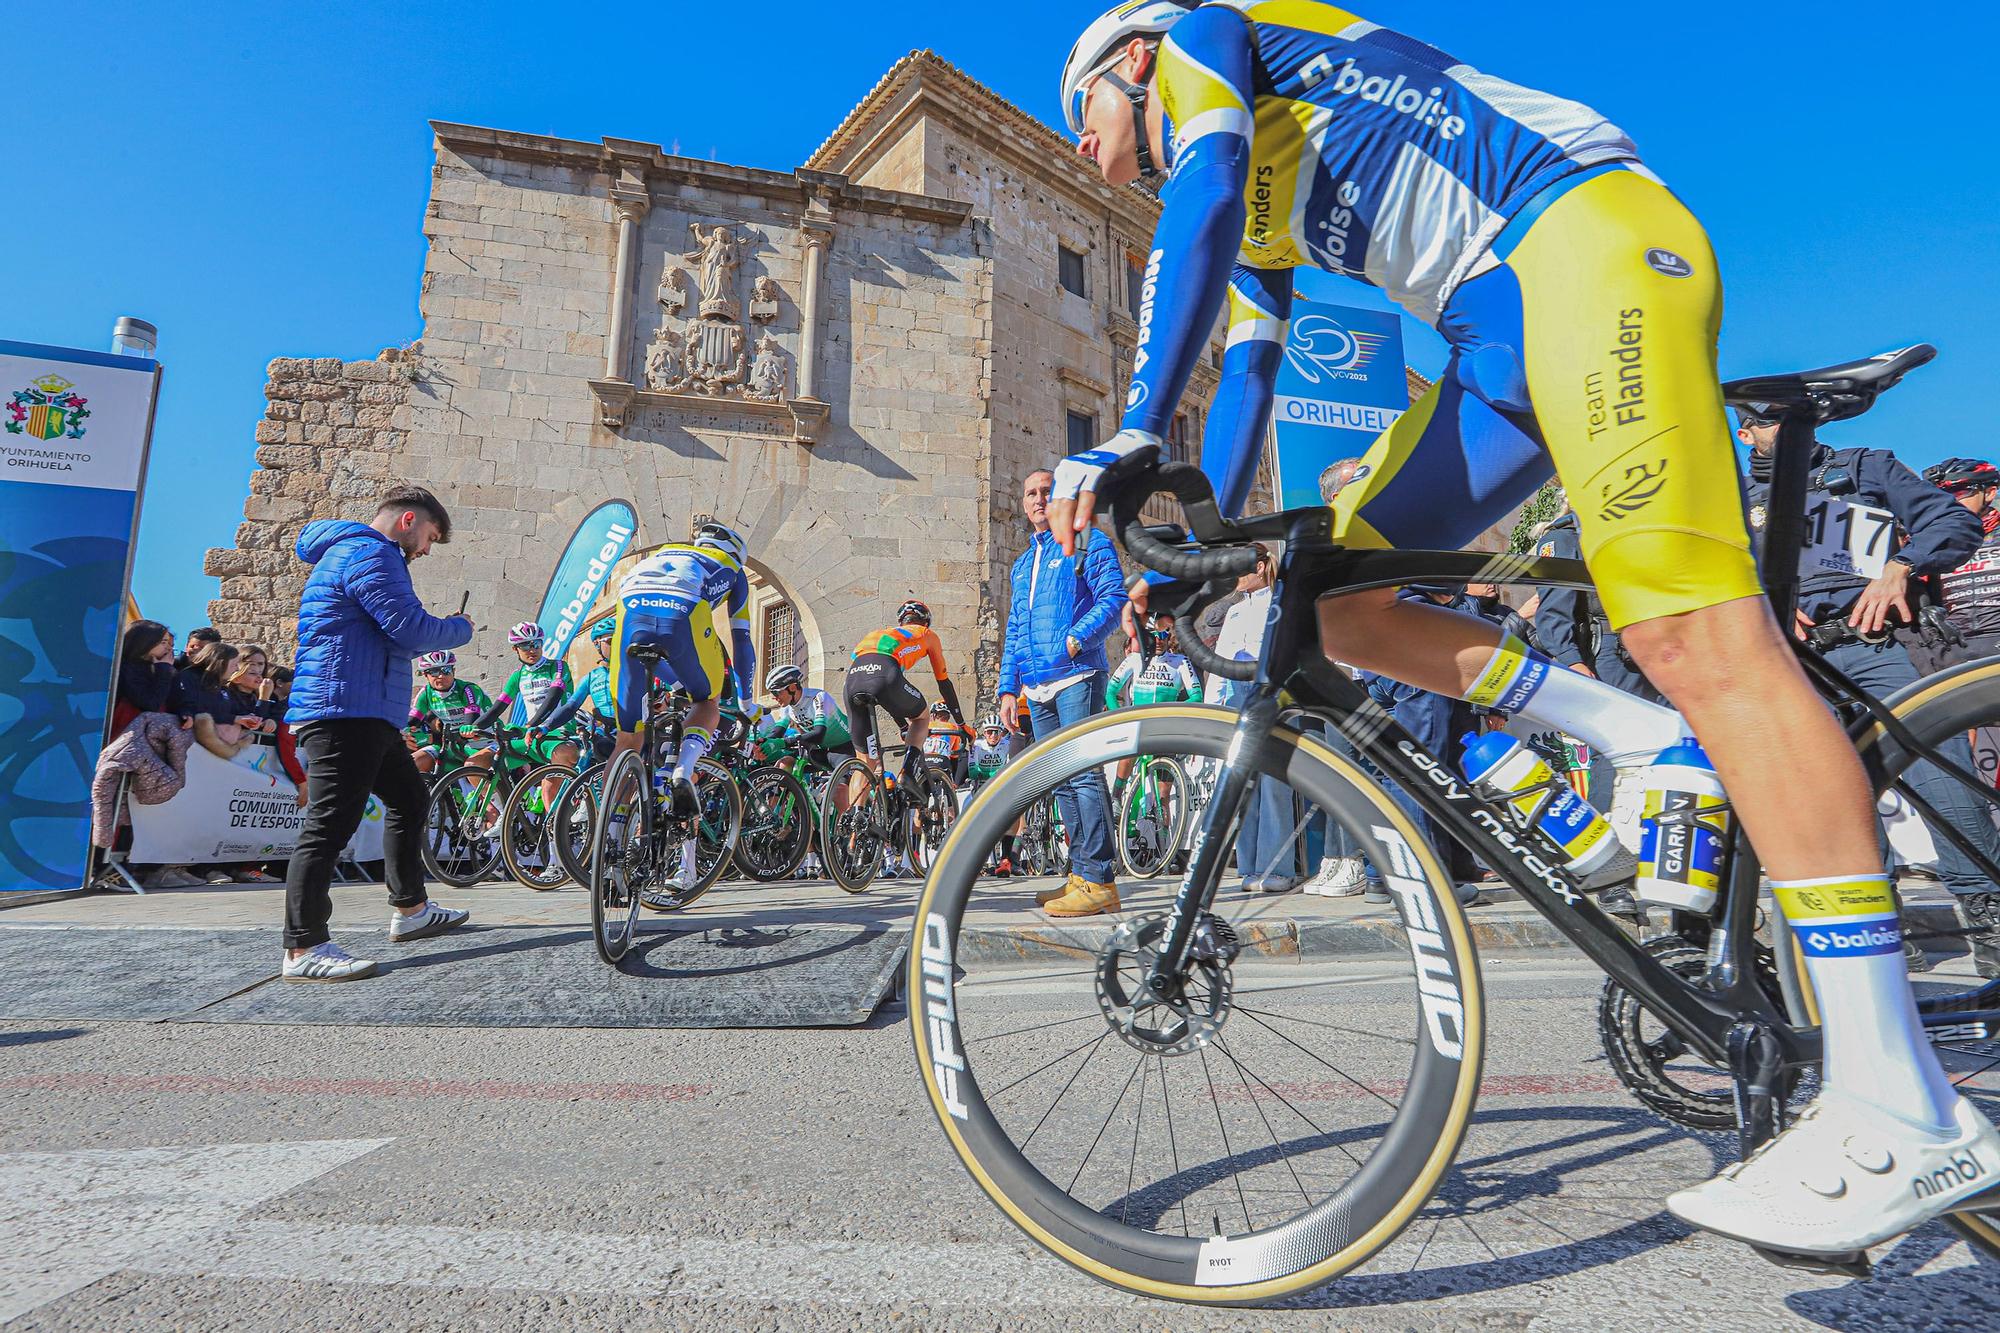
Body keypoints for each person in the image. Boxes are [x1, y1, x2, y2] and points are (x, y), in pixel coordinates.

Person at [1050, 0, 1999, 1252]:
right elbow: (1252, 370)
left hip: (1579, 247)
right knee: (1336, 601)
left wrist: (1125, 427)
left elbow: (1205, 180)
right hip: (1494, 336)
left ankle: (1897, 1100)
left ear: (1128, 58)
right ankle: (1637, 741)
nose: (1080, 145)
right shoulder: (1262, 205)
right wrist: (1200, 537)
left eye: (1080, 113)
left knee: (1701, 640)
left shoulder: (1201, 40)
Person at [1741, 411, 2000, 979]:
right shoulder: (1731, 498)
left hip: (1879, 645)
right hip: (1792, 661)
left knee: (1941, 773)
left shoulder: (1867, 466)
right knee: (1835, 792)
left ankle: (1987, 914)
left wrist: (1902, 567)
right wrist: (1760, 602)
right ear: (1746, 434)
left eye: (1791, 416)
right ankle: (1877, 919)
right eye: (1767, 421)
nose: (1781, 428)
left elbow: (1955, 525)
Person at [282, 483, 474, 982]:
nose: (428, 550)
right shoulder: (371, 553)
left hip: (368, 711)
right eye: (430, 536)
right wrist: (457, 628)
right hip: (344, 709)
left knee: (411, 800)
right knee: (328, 825)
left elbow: (389, 634)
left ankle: (411, 910)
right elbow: (408, 628)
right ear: (409, 520)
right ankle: (303, 946)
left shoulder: (363, 554)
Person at [997, 468, 1128, 915]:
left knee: (1085, 775)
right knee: (1061, 782)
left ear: (1062, 498)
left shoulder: (1088, 540)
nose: (1037, 499)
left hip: (1076, 676)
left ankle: (1100, 880)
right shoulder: (1022, 563)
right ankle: (1079, 874)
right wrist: (1008, 688)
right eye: (1030, 493)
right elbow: (1015, 627)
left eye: (1045, 492)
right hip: (1036, 686)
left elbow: (1114, 599)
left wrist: (1076, 640)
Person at [608, 522, 760, 900]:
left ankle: (607, 839)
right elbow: (742, 642)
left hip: (630, 617)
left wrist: (673, 681)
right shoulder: (732, 569)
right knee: (706, 702)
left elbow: (648, 639)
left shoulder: (663, 553)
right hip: (683, 615)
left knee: (627, 739)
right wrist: (745, 702)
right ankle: (683, 771)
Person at [846, 600, 968, 785]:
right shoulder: (927, 634)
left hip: (853, 679)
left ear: (901, 621)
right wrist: (961, 723)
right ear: (925, 622)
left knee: (865, 763)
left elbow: (882, 689)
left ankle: (856, 813)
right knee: (921, 717)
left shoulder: (877, 634)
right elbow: (943, 683)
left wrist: (903, 727)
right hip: (885, 673)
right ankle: (907, 774)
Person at [483, 621, 579, 813]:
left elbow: (553, 698)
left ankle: (553, 828)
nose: (532, 649)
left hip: (557, 732)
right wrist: (474, 727)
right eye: (525, 645)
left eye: (536, 643)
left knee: (550, 783)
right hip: (531, 734)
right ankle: (504, 812)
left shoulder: (558, 666)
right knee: (478, 761)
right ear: (515, 649)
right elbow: (497, 708)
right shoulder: (517, 676)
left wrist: (533, 723)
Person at [1920, 457, 2000, 663]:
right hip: (1954, 646)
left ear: (1990, 492)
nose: (1951, 500)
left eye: (1962, 491)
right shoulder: (1926, 541)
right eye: (1942, 494)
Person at [530, 617, 620, 768]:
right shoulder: (591, 678)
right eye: (611, 641)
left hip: (631, 732)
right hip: (605, 734)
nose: (617, 645)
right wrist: (545, 726)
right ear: (597, 644)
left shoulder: (633, 670)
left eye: (620, 640)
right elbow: (570, 707)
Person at [406, 651, 496, 775]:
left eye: (446, 670)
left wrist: (469, 727)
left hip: (485, 742)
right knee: (412, 763)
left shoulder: (468, 689)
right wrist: (404, 732)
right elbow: (412, 721)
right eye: (434, 671)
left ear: (453, 671)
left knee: (471, 767)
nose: (441, 676)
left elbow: (472, 718)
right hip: (456, 745)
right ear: (425, 675)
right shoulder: (425, 694)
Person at [112, 620, 178, 737]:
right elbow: (150, 704)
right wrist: (163, 669)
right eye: (163, 642)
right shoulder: (127, 668)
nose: (168, 648)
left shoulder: (155, 668)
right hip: (123, 734)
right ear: (146, 642)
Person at [922, 699, 977, 787]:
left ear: (933, 715)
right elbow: (954, 756)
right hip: (942, 765)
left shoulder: (924, 726)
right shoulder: (953, 728)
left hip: (924, 764)